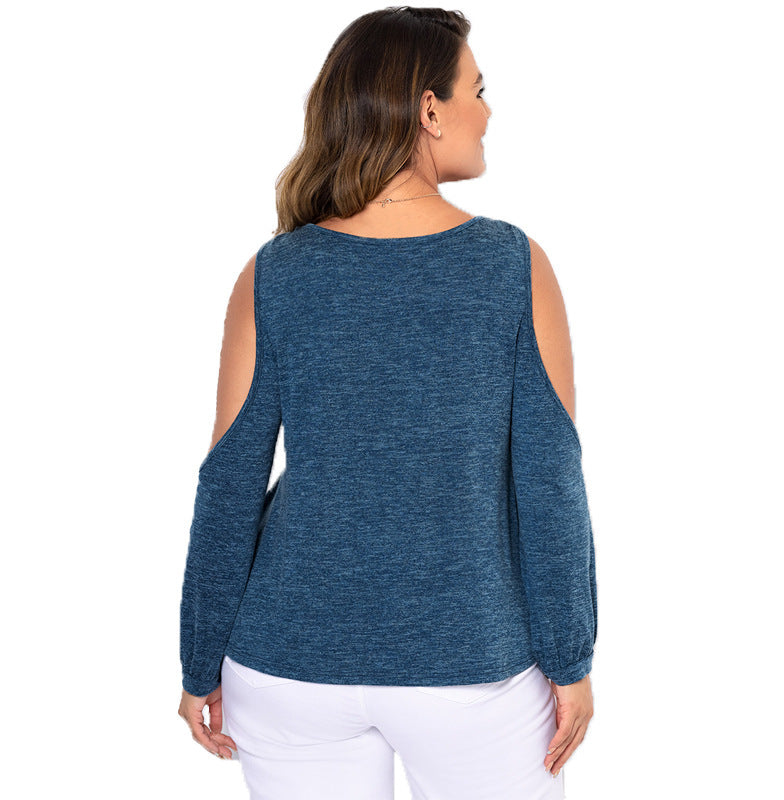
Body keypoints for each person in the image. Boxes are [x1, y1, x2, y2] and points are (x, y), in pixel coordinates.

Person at [177, 7, 597, 799]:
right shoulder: (512, 266)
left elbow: (227, 483)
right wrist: (570, 658)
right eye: (477, 89)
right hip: (470, 669)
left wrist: (200, 662)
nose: (488, 111)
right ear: (429, 109)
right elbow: (549, 485)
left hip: (287, 664)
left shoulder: (274, 272)